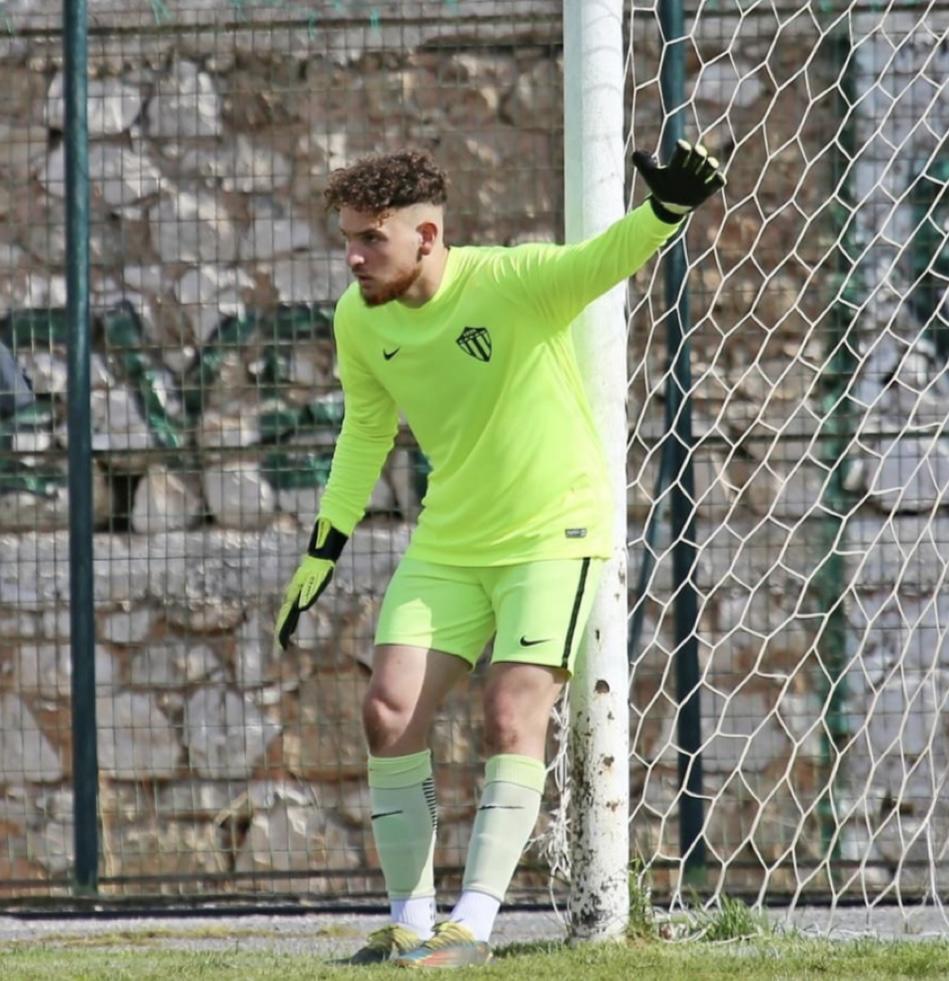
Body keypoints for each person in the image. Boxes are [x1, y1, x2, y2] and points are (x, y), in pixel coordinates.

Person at [275, 143, 724, 968]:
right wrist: (325, 542)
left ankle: (471, 928)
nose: (353, 257)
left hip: (554, 535)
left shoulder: (510, 281)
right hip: (450, 539)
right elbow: (366, 430)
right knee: (386, 711)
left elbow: (601, 260)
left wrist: (664, 210)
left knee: (508, 715)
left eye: (371, 239)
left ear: (426, 236)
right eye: (347, 238)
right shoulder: (357, 318)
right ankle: (411, 924)